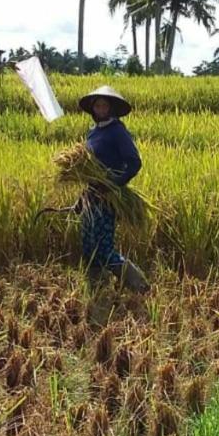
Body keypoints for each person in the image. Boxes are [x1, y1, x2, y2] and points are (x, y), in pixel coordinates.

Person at [78, 85, 148, 293]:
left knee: (104, 248)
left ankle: (139, 285)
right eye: (97, 105)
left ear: (111, 108)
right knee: (88, 245)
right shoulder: (92, 133)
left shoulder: (117, 131)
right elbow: (88, 169)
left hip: (108, 198)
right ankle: (97, 289)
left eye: (104, 105)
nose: (100, 109)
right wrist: (82, 198)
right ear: (93, 109)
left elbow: (134, 162)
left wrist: (115, 183)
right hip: (92, 196)